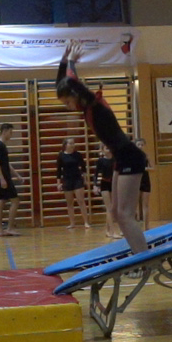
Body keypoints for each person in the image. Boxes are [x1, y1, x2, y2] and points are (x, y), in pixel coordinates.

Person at [56, 41, 147, 253]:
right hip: (120, 158)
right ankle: (139, 254)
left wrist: (71, 62)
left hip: (130, 157)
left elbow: (72, 81)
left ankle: (145, 259)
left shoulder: (93, 104)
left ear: (76, 95)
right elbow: (64, 82)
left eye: (67, 102)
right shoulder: (84, 106)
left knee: (125, 215)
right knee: (116, 212)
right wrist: (63, 61)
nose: (68, 107)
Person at [0, 123, 24, 237]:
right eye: (10, 132)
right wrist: (2, 179)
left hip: (4, 177)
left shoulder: (2, 146)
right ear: (4, 131)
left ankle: (0, 230)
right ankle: (9, 228)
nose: (11, 135)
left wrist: (17, 175)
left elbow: (6, 164)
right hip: (3, 178)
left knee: (1, 202)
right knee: (15, 201)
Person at [55, 138, 90, 229]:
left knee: (81, 201)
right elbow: (58, 171)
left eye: (73, 143)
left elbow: (83, 168)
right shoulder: (61, 155)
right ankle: (72, 223)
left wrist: (85, 179)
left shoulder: (78, 154)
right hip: (67, 180)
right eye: (70, 143)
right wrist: (58, 183)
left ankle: (86, 222)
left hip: (77, 179)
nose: (72, 145)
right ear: (65, 145)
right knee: (69, 202)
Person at [94, 144, 117, 238]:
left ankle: (108, 230)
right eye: (107, 148)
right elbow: (96, 174)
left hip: (114, 183)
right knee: (109, 208)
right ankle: (112, 231)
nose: (109, 149)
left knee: (113, 208)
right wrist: (95, 185)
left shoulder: (115, 159)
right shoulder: (101, 160)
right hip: (104, 183)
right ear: (103, 150)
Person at [135, 138, 152, 230]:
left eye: (142, 144)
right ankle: (135, 226)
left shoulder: (146, 156)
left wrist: (145, 168)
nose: (140, 146)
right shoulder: (132, 156)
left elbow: (153, 168)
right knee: (135, 204)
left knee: (145, 205)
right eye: (138, 145)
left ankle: (147, 227)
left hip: (145, 180)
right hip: (136, 180)